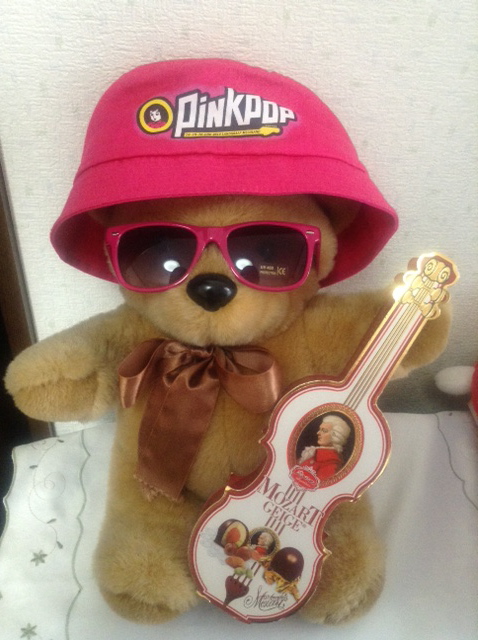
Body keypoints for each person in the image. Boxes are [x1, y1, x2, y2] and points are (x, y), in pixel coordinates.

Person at [297, 414, 351, 480]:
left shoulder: (331, 464)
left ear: (335, 436)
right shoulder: (312, 454)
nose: (318, 433)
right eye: (320, 429)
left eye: (324, 431)